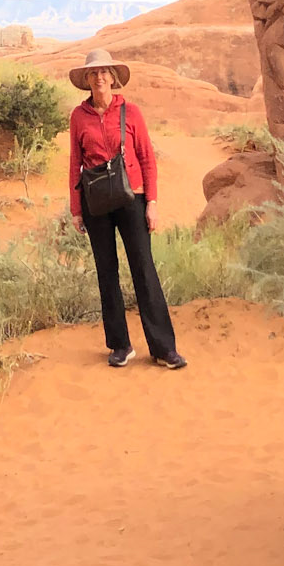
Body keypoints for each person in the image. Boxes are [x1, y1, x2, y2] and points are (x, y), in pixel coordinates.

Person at [68, 47, 187, 371]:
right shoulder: (79, 116)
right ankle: (120, 345)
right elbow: (75, 162)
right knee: (106, 272)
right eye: (93, 73)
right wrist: (76, 209)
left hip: (132, 197)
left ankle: (164, 348)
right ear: (87, 80)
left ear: (113, 78)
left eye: (104, 72)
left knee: (144, 269)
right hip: (95, 202)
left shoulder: (130, 112)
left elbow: (147, 158)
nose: (99, 77)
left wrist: (152, 203)